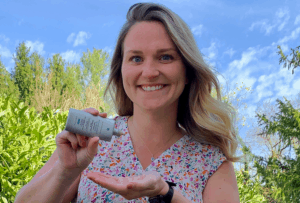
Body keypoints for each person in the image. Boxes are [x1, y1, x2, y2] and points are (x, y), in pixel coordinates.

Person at [14, 2, 241, 203]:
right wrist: (65, 172)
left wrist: (167, 194)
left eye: (165, 57)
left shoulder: (212, 161)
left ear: (188, 70)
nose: (149, 72)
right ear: (121, 71)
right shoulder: (90, 141)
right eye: (136, 58)